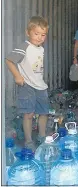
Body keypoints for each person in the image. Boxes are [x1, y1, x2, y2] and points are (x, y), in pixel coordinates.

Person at [5, 16, 50, 151]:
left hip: (41, 86)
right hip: (27, 86)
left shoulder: (40, 49)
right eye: (36, 33)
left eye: (43, 35)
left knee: (44, 112)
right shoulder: (25, 46)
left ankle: (42, 136)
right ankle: (29, 141)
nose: (39, 37)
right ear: (28, 32)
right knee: (28, 114)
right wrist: (17, 76)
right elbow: (9, 60)